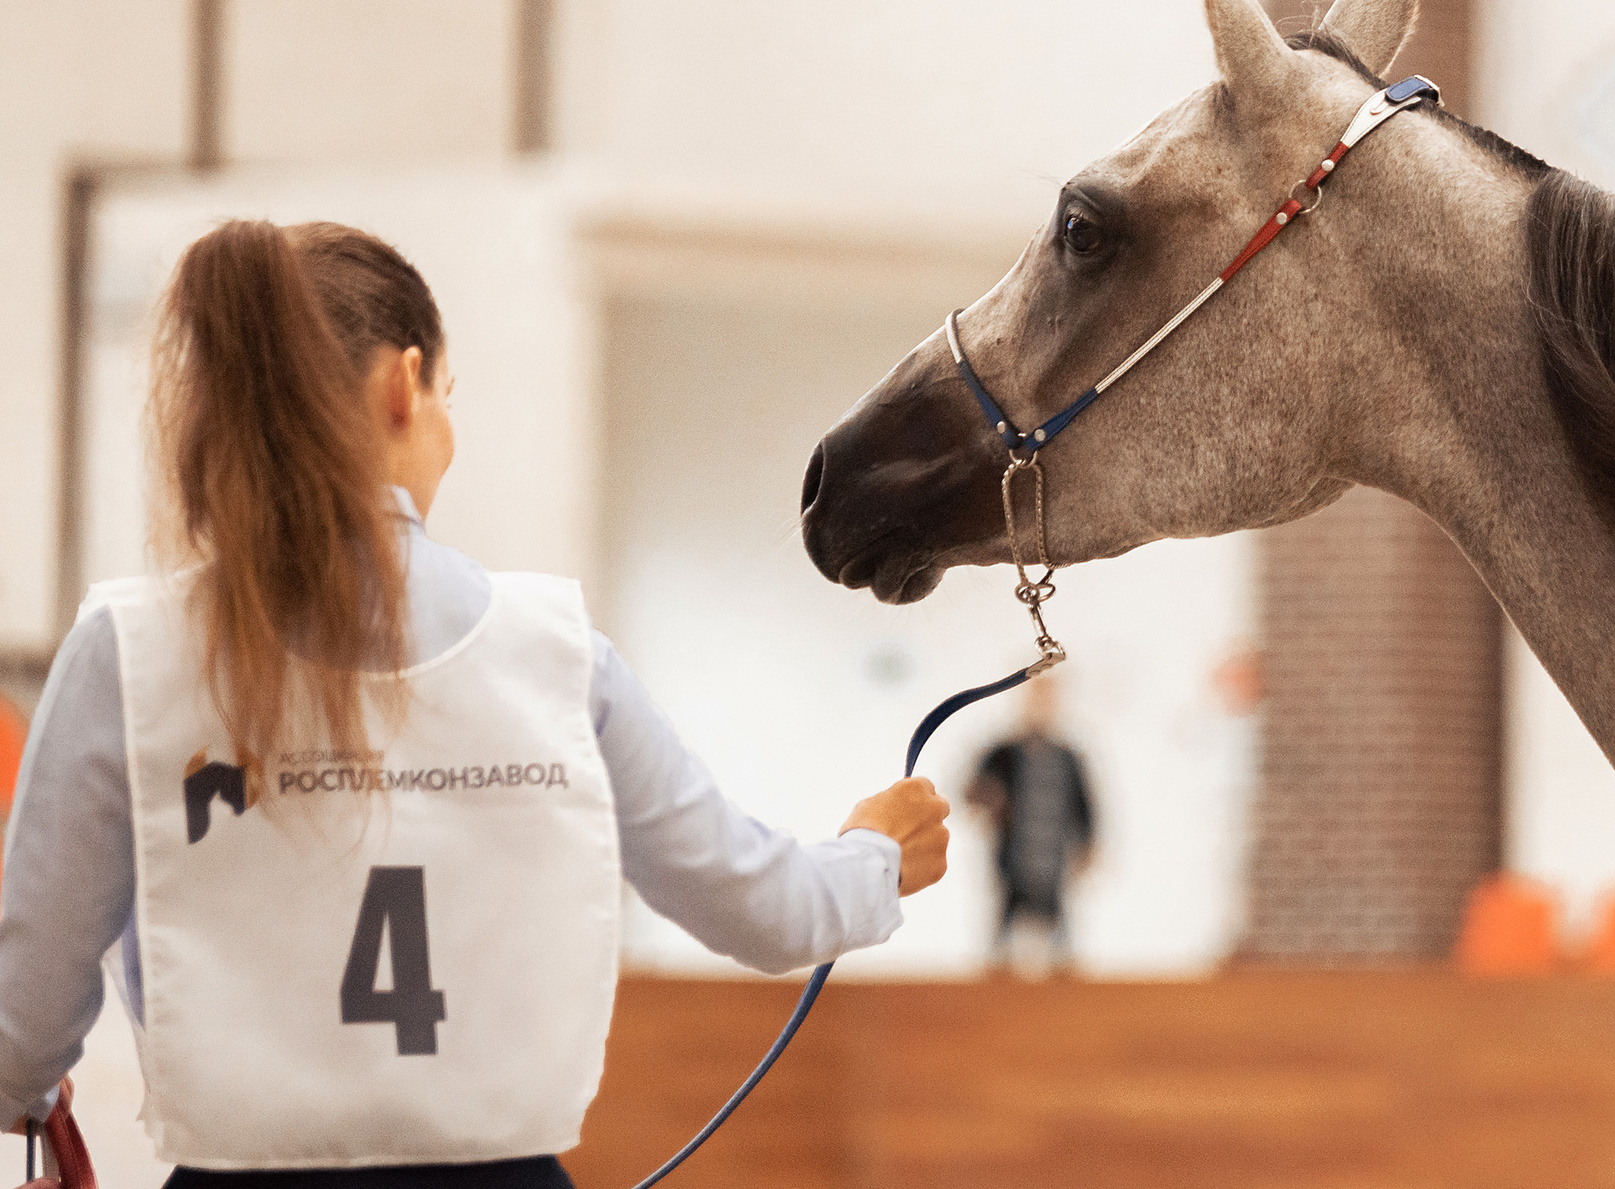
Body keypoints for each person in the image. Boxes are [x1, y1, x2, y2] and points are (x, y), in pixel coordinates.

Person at [0, 220, 953, 1187]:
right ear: (401, 386)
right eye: (447, 396)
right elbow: (767, 911)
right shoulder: (553, 655)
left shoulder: (126, 656)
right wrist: (878, 853)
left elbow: (15, 1037)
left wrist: (35, 1097)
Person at [964, 675, 1094, 977]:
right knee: (1006, 915)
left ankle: (1064, 972)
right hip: (1014, 853)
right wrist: (987, 799)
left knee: (1058, 919)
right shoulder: (1002, 754)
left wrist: (1087, 845)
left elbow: (1084, 806)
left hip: (1054, 855)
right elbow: (974, 791)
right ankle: (997, 970)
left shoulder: (1068, 757)